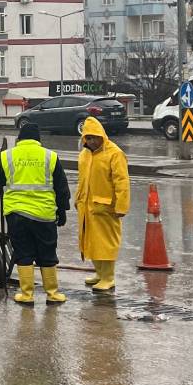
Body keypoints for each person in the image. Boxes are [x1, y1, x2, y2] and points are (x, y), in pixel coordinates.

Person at [0, 122, 71, 305]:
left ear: (20, 138)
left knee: (23, 251)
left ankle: (27, 295)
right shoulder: (50, 156)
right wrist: (62, 210)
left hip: (16, 213)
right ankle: (52, 294)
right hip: (44, 214)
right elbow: (61, 187)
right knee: (47, 252)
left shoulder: (6, 156)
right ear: (38, 140)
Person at [76, 116, 130, 292]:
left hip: (106, 208)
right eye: (87, 138)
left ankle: (108, 278)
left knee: (106, 243)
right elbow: (82, 180)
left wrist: (121, 206)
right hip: (87, 206)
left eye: (93, 137)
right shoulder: (84, 155)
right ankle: (99, 273)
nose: (90, 141)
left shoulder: (114, 154)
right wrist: (78, 199)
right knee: (90, 242)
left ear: (101, 135)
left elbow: (122, 182)